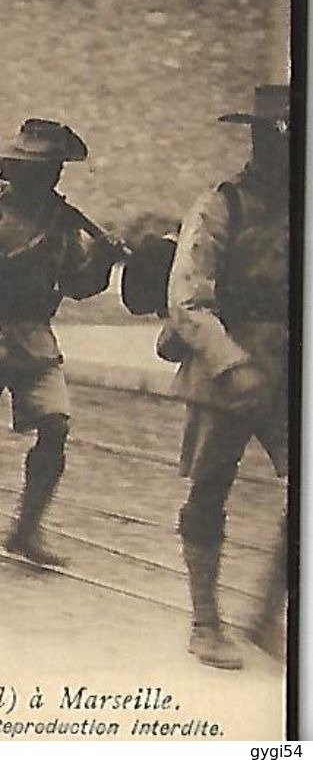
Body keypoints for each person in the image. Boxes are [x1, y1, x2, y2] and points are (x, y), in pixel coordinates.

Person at [0, 119, 116, 566]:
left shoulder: (62, 223)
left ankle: (26, 529)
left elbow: (76, 284)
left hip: (33, 334)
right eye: (40, 167)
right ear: (17, 169)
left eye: (54, 168)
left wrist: (103, 260)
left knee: (56, 424)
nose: (50, 176)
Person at [167, 84, 291, 669]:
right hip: (226, 363)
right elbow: (188, 299)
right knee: (210, 488)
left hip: (290, 367)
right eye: (276, 135)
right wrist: (231, 361)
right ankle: (205, 621)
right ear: (259, 138)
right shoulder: (221, 206)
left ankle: (269, 614)